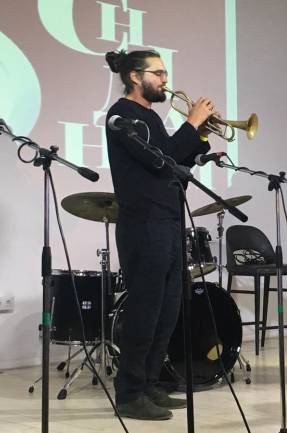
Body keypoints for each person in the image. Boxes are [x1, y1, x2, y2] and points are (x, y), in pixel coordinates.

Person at [104, 49, 214, 420]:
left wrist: (198, 135)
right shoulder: (123, 116)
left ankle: (150, 385)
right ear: (135, 77)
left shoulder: (149, 115)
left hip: (167, 221)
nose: (166, 80)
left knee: (168, 309)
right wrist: (192, 122)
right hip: (143, 224)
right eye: (159, 73)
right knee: (145, 310)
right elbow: (158, 157)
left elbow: (175, 164)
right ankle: (130, 394)